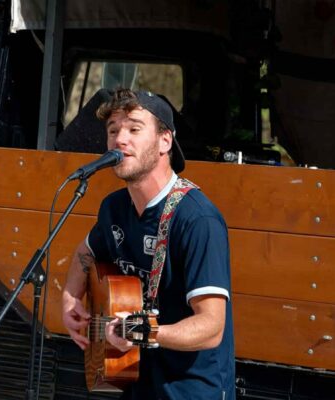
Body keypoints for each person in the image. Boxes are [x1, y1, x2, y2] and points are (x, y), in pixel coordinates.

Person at [60, 88, 235, 399]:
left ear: (165, 141)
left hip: (190, 389)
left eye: (134, 129)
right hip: (136, 381)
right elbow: (86, 252)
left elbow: (212, 326)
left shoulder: (196, 219)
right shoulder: (114, 208)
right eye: (113, 130)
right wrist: (71, 297)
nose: (120, 139)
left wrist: (143, 332)